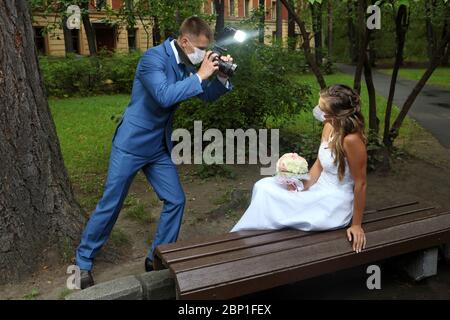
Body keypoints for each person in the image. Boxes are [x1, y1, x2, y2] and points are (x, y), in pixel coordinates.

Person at [75, 16, 233, 289]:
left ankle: (155, 258)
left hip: (158, 147)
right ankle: (83, 262)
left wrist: (220, 76)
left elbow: (205, 95)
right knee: (111, 203)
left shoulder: (185, 63)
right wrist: (200, 74)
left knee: (176, 200)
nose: (201, 55)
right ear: (185, 42)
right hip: (132, 144)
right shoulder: (153, 59)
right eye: (199, 49)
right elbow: (163, 95)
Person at [231, 84, 367, 254]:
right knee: (264, 186)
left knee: (285, 205)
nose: (318, 111)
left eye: (323, 109)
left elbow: (361, 183)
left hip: (334, 198)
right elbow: (319, 164)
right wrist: (301, 185)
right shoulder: (329, 126)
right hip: (318, 185)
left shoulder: (352, 140)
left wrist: (356, 225)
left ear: (336, 114)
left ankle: (256, 246)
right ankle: (248, 240)